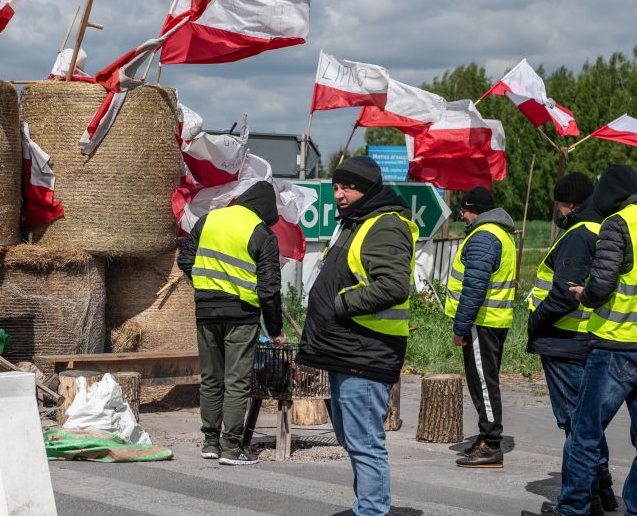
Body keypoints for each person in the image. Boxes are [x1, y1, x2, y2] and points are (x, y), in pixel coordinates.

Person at [539, 164, 637, 516]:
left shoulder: (619, 223)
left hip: (615, 345)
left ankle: (573, 509)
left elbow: (602, 283)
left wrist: (584, 294)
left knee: (584, 433)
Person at [297, 156, 416, 516]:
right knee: (352, 438)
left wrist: (341, 304)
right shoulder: (356, 222)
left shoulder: (385, 225)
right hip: (347, 349)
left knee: (364, 441)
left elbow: (394, 286)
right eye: (335, 187)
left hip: (366, 351)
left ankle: (372, 510)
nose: (339, 194)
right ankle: (368, 505)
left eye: (347, 187)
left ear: (367, 188)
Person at [526, 173, 618, 512]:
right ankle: (602, 491)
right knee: (586, 421)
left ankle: (582, 502)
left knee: (576, 426)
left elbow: (564, 295)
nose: (557, 211)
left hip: (564, 340)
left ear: (570, 204)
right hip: (586, 337)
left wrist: (535, 321)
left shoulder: (578, 235)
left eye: (559, 205)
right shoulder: (601, 229)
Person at [177, 180, 285, 466]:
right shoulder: (262, 233)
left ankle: (210, 442)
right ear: (266, 209)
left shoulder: (209, 220)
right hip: (241, 315)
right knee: (236, 381)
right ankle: (231, 448)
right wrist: (275, 330)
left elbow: (185, 260)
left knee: (211, 378)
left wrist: (206, 286)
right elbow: (269, 289)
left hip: (206, 311)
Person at [445, 186, 516, 468]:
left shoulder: (483, 236)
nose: (462, 216)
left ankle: (491, 444)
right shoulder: (500, 233)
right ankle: (486, 438)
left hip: (481, 322)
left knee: (483, 384)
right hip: (492, 320)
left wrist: (461, 326)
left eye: (463, 211)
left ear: (472, 210)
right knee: (484, 381)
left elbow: (474, 287)